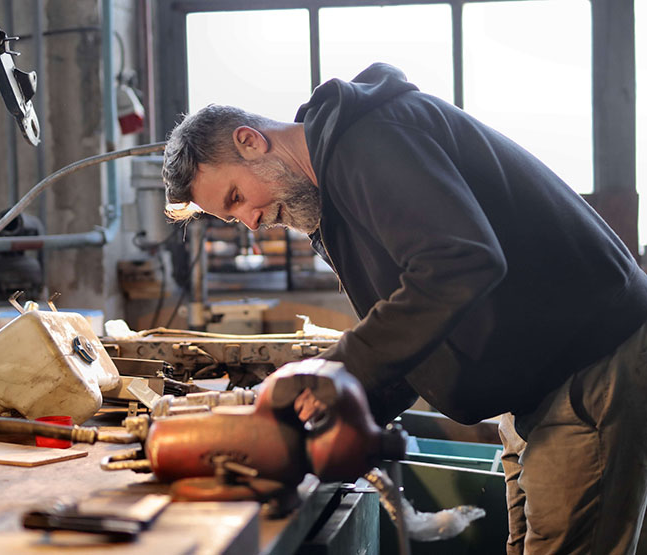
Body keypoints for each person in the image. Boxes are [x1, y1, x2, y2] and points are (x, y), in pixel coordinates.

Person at [160, 63, 647, 554]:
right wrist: (336, 397)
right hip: (538, 382)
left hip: (589, 369)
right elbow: (418, 322)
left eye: (238, 197)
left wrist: (334, 369)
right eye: (232, 215)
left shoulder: (370, 141)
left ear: (250, 141)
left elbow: (460, 263)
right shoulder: (331, 203)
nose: (252, 222)